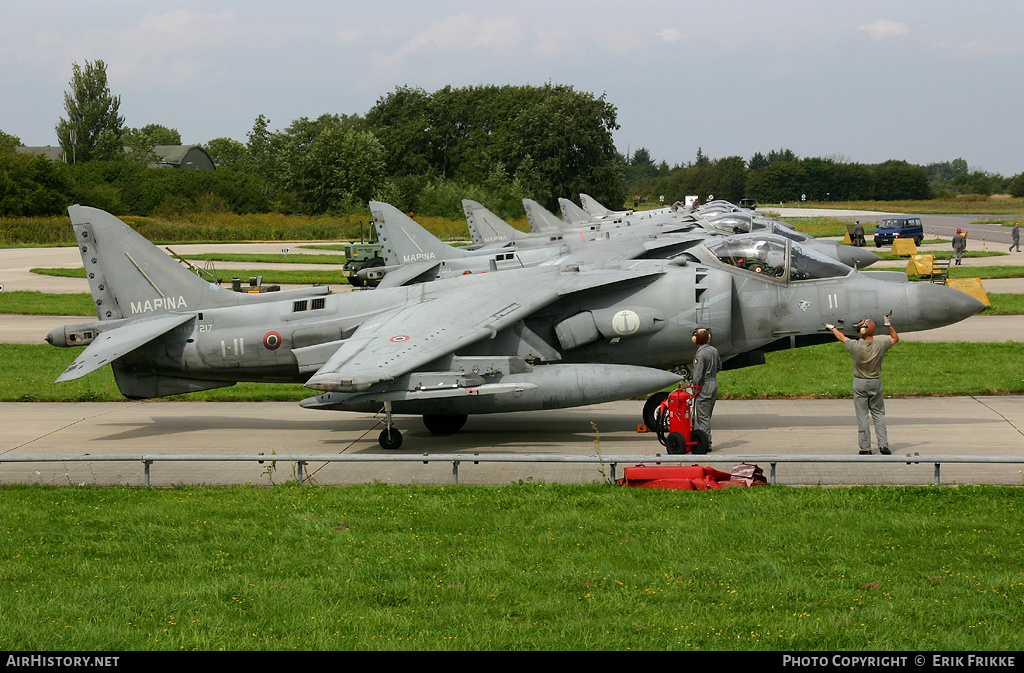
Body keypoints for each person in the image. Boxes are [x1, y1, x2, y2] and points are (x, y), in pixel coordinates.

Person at [824, 314, 899, 455]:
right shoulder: (880, 344)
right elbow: (895, 338)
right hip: (875, 382)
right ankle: (884, 446)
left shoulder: (856, 346)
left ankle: (865, 448)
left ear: (862, 331)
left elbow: (841, 337)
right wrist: (888, 325)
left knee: (862, 415)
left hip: (860, 382)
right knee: (879, 414)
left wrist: (833, 328)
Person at [691, 327, 721, 445]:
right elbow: (719, 366)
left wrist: (695, 388)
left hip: (704, 386)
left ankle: (705, 443)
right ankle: (704, 439)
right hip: (714, 384)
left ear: (695, 340)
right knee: (707, 415)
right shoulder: (714, 350)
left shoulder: (700, 355)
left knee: (703, 417)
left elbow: (697, 375)